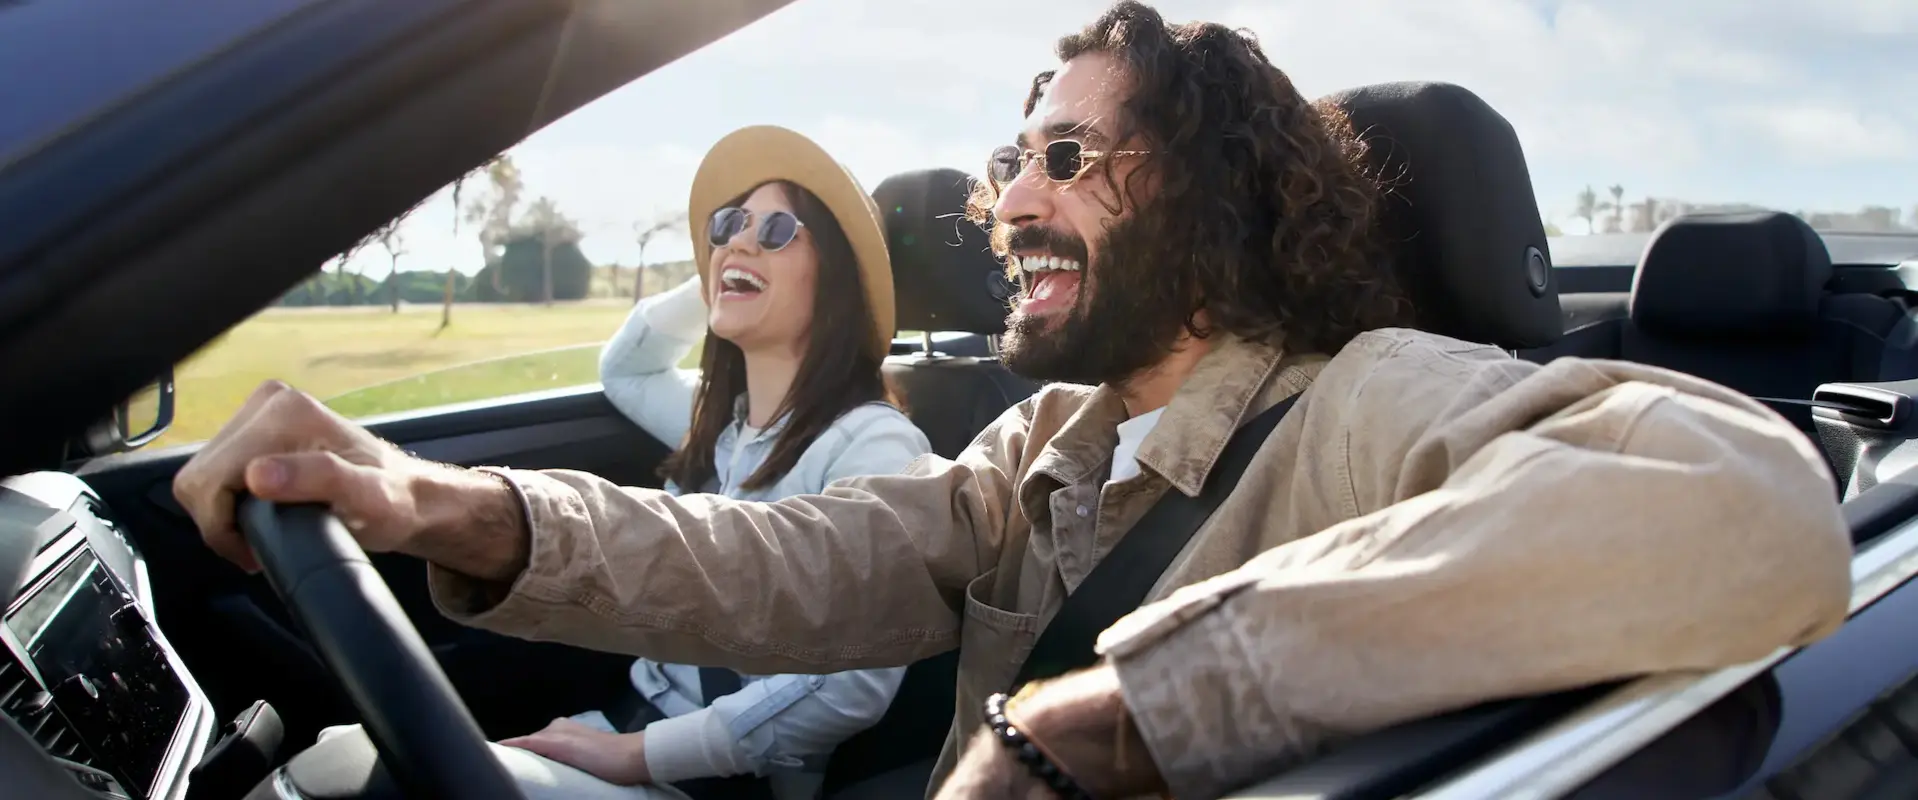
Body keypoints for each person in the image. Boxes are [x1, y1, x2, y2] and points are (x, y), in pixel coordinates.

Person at [173, 3, 1854, 799]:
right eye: (1005, 160)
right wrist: (445, 505)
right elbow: (798, 559)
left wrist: (1103, 720)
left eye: (1063, 154)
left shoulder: (1368, 405)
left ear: (1204, 201)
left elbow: (1745, 497)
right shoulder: (1042, 446)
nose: (1008, 202)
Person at [315, 125, 934, 800]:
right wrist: (727, 272)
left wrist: (635, 756)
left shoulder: (876, 447)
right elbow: (627, 368)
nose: (739, 236)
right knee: (344, 754)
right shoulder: (726, 433)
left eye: (779, 228)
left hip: (713, 780)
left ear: (836, 279)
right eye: (730, 222)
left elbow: (850, 685)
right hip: (620, 728)